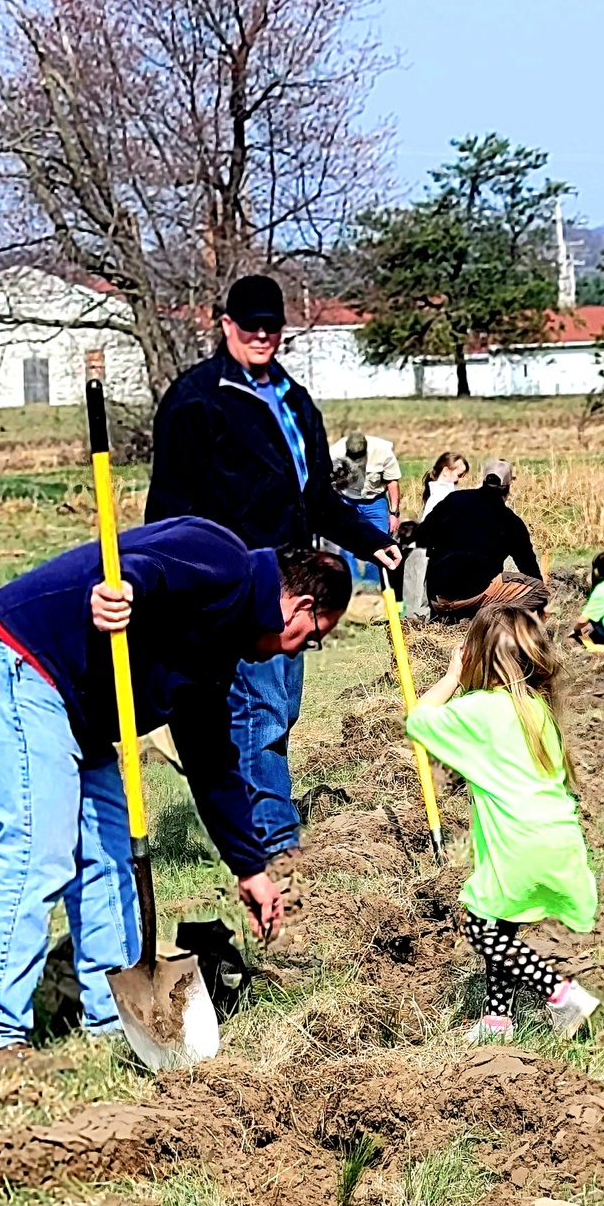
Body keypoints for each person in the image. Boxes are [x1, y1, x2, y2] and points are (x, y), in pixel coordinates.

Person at [0, 520, 351, 1067]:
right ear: (299, 606)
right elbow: (147, 561)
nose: (301, 650)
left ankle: (113, 1019)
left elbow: (213, 765)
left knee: (110, 858)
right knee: (38, 850)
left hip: (75, 712)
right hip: (16, 664)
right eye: (312, 637)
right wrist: (124, 591)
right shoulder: (225, 558)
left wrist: (250, 867)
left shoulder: (216, 656)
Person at [146, 275, 399, 870]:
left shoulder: (294, 400)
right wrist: (174, 577)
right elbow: (169, 505)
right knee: (259, 708)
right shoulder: (197, 399)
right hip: (233, 580)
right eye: (249, 324)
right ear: (225, 324)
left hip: (295, 578)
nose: (261, 335)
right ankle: (273, 841)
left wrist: (372, 539)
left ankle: (248, 806)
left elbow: (316, 495)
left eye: (272, 326)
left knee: (281, 706)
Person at [404, 574, 599, 1045]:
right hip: (559, 838)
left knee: (482, 928)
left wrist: (450, 677)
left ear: (477, 656)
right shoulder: (537, 709)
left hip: (517, 845)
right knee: (503, 923)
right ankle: (497, 1022)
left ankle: (561, 994)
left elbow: (418, 720)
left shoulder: (480, 709)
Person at [414, 458, 540, 614]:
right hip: (473, 597)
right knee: (538, 591)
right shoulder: (510, 521)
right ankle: (490, 618)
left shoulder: (454, 499)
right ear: (508, 487)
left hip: (437, 598)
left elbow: (422, 535)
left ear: (484, 480)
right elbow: (528, 567)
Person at [329, 428, 402, 589]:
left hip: (375, 501)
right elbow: (329, 483)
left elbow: (392, 481)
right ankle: (353, 583)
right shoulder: (335, 452)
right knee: (345, 543)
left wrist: (394, 513)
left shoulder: (383, 451)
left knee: (380, 541)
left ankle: (372, 585)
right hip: (347, 499)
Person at [403, 451, 470, 619]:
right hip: (423, 551)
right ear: (446, 471)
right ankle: (415, 626)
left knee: (421, 593)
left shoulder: (440, 492)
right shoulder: (442, 496)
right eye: (459, 474)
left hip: (427, 550)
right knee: (418, 596)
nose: (459, 479)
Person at [420, 450, 469, 516]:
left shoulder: (447, 496)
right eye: (459, 475)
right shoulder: (439, 499)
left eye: (463, 476)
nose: (462, 480)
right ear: (446, 471)